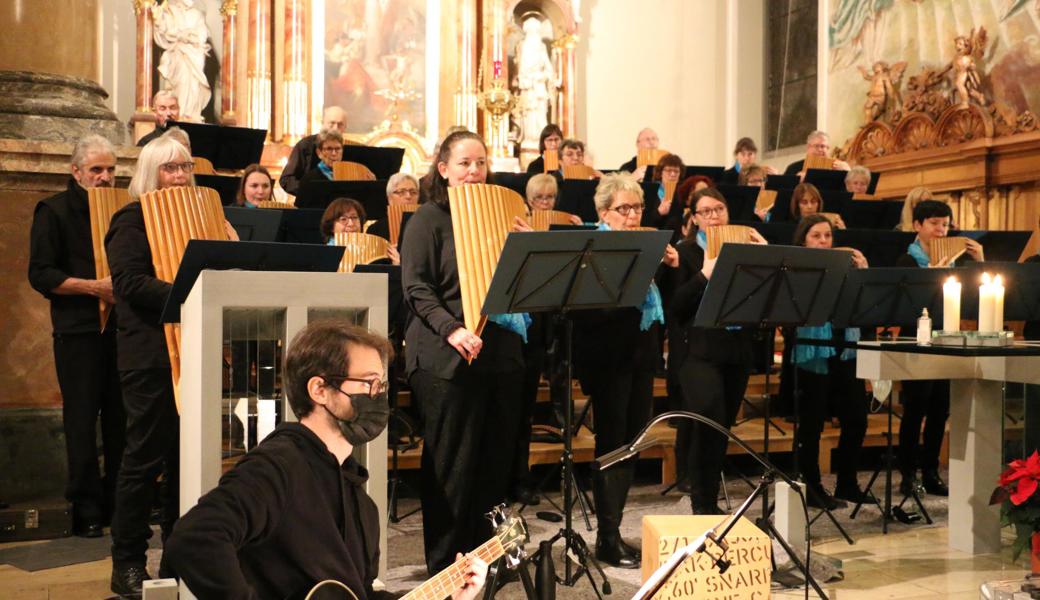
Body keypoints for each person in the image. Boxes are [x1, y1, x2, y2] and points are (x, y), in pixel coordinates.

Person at [162, 320, 488, 600]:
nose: (379, 396)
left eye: (383, 385)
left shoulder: (363, 506)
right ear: (319, 389)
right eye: (368, 383)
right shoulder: (277, 467)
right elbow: (194, 538)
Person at [402, 130, 527, 575]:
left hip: (500, 355)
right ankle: (445, 567)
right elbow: (416, 288)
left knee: (494, 464)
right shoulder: (426, 220)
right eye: (464, 164)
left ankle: (487, 556)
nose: (475, 171)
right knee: (452, 469)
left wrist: (523, 249)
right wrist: (453, 329)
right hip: (443, 357)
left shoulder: (503, 218)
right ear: (443, 171)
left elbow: (520, 291)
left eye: (480, 163)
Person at [105, 133, 196, 597]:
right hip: (149, 356)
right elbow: (129, 282)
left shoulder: (201, 218)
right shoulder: (132, 218)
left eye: (185, 168)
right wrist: (192, 292)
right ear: (149, 173)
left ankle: (179, 554)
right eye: (170, 168)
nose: (180, 176)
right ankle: (127, 563)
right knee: (142, 461)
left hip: (194, 350)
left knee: (187, 462)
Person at [571, 172, 677, 568]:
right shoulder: (594, 249)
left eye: (637, 209)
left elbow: (656, 311)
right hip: (607, 357)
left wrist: (664, 267)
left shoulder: (644, 248)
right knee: (613, 443)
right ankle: (606, 536)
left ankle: (612, 529)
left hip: (640, 356)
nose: (633, 216)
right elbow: (590, 312)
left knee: (634, 441)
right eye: (624, 209)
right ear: (604, 213)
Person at [27, 134, 126, 539]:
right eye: (96, 170)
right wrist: (93, 287)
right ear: (76, 171)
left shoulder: (124, 209)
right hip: (78, 330)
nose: (104, 178)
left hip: (122, 331)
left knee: (122, 422)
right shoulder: (53, 211)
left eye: (110, 170)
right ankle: (85, 508)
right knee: (82, 421)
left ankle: (119, 504)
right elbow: (41, 274)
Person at [668, 188, 767, 515]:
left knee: (722, 426)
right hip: (698, 353)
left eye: (719, 209)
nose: (713, 216)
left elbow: (763, 300)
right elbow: (677, 308)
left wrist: (764, 257)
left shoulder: (744, 251)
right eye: (706, 211)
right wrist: (705, 274)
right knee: (707, 422)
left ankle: (709, 500)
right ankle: (703, 503)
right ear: (694, 218)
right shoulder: (684, 253)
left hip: (735, 350)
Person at [894, 200, 983, 498]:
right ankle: (907, 473)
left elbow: (974, 299)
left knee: (939, 409)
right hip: (916, 343)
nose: (941, 230)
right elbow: (905, 307)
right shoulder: (907, 261)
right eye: (934, 223)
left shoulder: (956, 261)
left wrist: (979, 261)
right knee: (915, 408)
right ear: (918, 225)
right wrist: (932, 276)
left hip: (947, 341)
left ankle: (931, 471)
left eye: (945, 224)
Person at [788, 214, 870, 509]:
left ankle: (847, 482)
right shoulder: (797, 270)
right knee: (811, 424)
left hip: (845, 349)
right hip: (813, 352)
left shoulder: (846, 268)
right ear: (803, 241)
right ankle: (810, 487)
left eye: (827, 236)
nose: (824, 241)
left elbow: (864, 309)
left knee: (857, 418)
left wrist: (861, 272)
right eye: (816, 236)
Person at [280, 106, 347, 196]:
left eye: (340, 125)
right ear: (322, 123)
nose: (335, 128)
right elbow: (286, 180)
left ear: (345, 127)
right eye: (332, 123)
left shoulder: (350, 148)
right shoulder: (305, 145)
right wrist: (310, 190)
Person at [366, 172, 421, 241]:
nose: (408, 196)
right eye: (401, 192)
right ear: (390, 199)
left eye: (413, 192)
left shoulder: (429, 223)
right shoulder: (376, 229)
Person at [783, 131, 851, 178]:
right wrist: (796, 180)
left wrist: (848, 172)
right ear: (808, 147)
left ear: (828, 148)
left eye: (823, 146)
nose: (820, 149)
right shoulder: (793, 168)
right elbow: (784, 193)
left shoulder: (838, 167)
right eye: (816, 146)